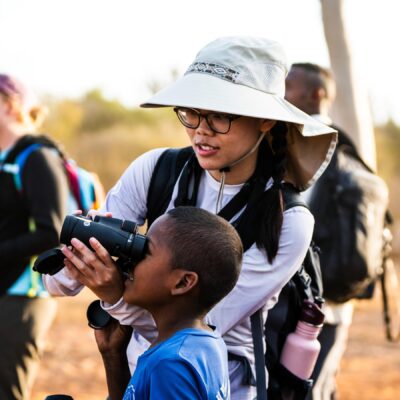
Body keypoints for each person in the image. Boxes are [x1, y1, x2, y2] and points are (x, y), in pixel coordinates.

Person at [44, 36, 337, 399]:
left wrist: (115, 294)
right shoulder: (156, 170)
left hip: (217, 385)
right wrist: (78, 256)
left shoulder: (288, 219)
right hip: (140, 376)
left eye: (219, 115)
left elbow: (197, 325)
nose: (200, 129)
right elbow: (56, 285)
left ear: (265, 120)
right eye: (191, 111)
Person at [87, 206, 242, 399]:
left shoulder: (172, 364)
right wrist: (113, 356)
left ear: (182, 282)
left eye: (145, 251)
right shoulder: (205, 344)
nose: (131, 257)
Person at [285, 62, 356, 400]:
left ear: (315, 94)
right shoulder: (348, 152)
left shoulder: (312, 145)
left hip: (310, 303)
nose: (281, 91)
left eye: (289, 85)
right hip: (331, 302)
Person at [0, 74, 70, 399]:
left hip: (22, 298)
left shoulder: (37, 157)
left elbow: (52, 230)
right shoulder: (7, 158)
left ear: (10, 106)